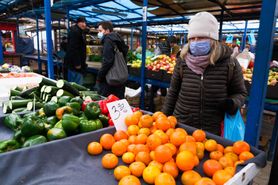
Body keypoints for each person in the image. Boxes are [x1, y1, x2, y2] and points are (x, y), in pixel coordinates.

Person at [162, 12, 247, 136]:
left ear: (213, 39)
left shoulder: (230, 63)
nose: (196, 42)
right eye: (192, 38)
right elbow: (173, 92)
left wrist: (233, 103)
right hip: (182, 128)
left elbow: (240, 93)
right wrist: (163, 118)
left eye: (201, 38)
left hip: (213, 130)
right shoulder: (182, 61)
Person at [96, 21, 128, 99]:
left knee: (108, 101)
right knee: (119, 100)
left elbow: (108, 61)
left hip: (110, 80)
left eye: (100, 31)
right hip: (120, 77)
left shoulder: (108, 40)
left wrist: (99, 77)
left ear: (107, 31)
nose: (99, 33)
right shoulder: (119, 40)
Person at [64, 17, 87, 84]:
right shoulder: (75, 32)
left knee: (75, 83)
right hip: (74, 64)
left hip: (75, 63)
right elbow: (73, 48)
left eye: (85, 23)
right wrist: (77, 63)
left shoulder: (78, 31)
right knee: (75, 84)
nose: (84, 24)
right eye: (82, 22)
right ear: (78, 23)